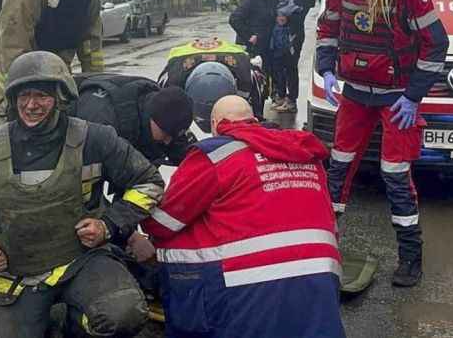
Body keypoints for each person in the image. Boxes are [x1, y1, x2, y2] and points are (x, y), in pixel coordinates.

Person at [0, 51, 165, 338]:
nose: (32, 105)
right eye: (24, 96)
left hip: (83, 260)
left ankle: (69, 322)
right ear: (12, 99)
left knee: (124, 314)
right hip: (16, 269)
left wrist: (108, 225)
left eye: (42, 96)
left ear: (60, 97)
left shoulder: (96, 138)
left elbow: (149, 183)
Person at [142, 95, 345, 338]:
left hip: (245, 290)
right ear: (254, 119)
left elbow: (163, 223)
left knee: (173, 242)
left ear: (215, 123)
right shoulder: (306, 155)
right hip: (320, 279)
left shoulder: (215, 154)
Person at [316, 0, 449, 287]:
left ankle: (410, 257)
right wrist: (326, 71)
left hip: (397, 98)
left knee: (394, 175)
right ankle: (325, 249)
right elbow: (327, 29)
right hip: (355, 93)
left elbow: (436, 42)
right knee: (338, 170)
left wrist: (413, 96)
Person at [72, 73, 195, 167]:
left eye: (173, 136)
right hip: (72, 135)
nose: (168, 142)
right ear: (152, 119)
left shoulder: (170, 115)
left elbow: (192, 158)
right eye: (165, 134)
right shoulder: (104, 124)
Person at [159, 36, 266, 128]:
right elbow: (255, 87)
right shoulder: (239, 59)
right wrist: (256, 117)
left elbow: (162, 93)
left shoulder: (177, 65)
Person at [229, 0, 278, 88]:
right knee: (252, 81)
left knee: (266, 78)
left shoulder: (273, 0)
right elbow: (234, 19)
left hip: (267, 46)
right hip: (252, 48)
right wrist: (249, 36)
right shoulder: (251, 0)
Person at [269, 0, 303, 113]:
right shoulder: (276, 28)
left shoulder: (290, 30)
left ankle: (291, 100)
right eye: (279, 16)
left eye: (283, 16)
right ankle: (282, 97)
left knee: (291, 73)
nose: (280, 18)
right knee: (280, 74)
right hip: (278, 54)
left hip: (288, 53)